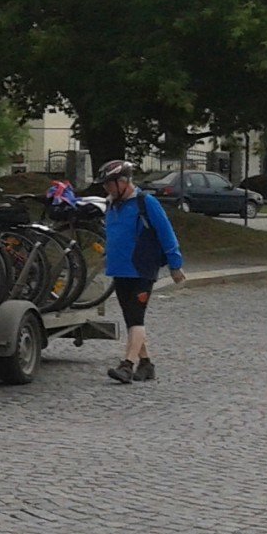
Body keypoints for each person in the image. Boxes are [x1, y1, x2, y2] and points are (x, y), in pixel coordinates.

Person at [98, 160, 186, 383]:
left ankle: (127, 365)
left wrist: (175, 265)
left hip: (142, 269)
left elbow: (167, 233)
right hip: (119, 269)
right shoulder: (112, 204)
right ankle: (146, 364)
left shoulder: (146, 203)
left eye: (109, 184)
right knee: (130, 318)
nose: (106, 189)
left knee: (136, 317)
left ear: (124, 181)